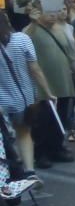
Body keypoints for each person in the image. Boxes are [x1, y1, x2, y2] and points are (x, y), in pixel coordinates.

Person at [24, 7, 75, 168]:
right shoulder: (31, 29)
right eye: (49, 12)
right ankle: (41, 153)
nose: (53, 15)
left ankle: (57, 148)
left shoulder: (61, 29)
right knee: (43, 120)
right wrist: (32, 22)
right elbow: (22, 43)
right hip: (43, 85)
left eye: (54, 12)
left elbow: (71, 55)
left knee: (61, 118)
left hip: (63, 81)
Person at [0, 13, 51, 178]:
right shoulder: (22, 39)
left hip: (2, 101)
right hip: (23, 97)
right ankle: (29, 171)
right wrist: (48, 92)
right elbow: (35, 69)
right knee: (24, 132)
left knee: (4, 140)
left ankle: (8, 173)